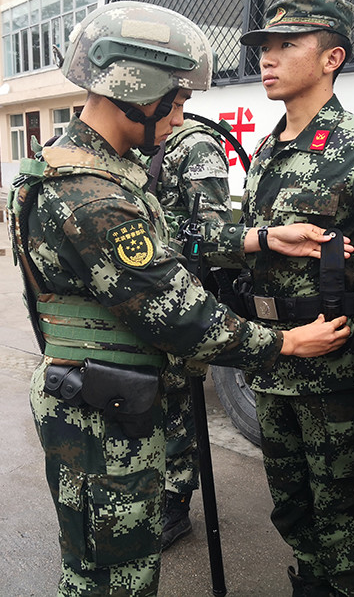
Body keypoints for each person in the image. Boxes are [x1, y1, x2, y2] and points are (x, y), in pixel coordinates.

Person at [11, 0, 354, 597]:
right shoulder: (94, 196)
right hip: (104, 411)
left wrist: (265, 236)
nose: (178, 119)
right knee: (115, 576)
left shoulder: (84, 169)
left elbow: (172, 243)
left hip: (99, 393)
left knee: (103, 561)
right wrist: (286, 344)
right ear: (137, 91)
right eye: (174, 103)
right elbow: (181, 317)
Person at [203, 0, 354, 595]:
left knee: (345, 507)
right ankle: (312, 579)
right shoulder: (268, 149)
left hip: (336, 369)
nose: (268, 59)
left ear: (332, 58)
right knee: (291, 501)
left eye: (288, 46)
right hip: (277, 358)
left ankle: (353, 585)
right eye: (264, 48)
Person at [147, 119, 234, 550]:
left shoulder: (195, 146)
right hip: (141, 301)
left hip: (180, 300)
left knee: (179, 407)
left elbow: (213, 237)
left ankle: (175, 506)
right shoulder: (135, 143)